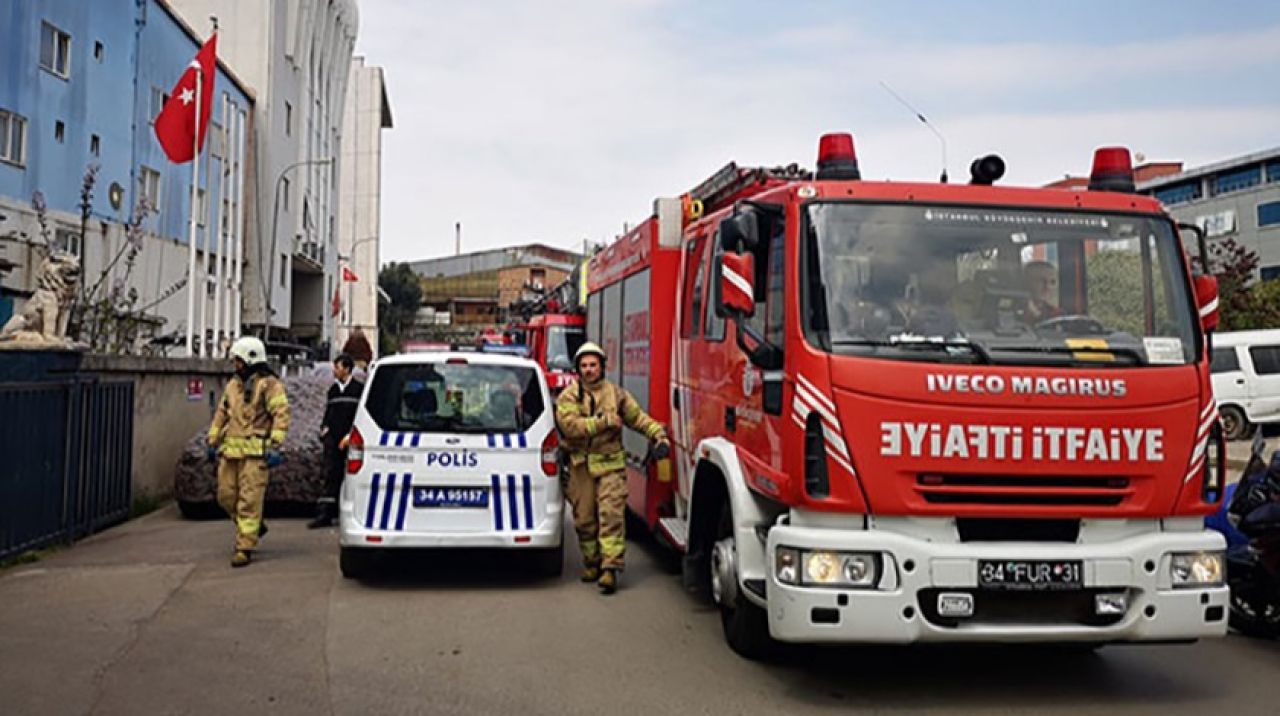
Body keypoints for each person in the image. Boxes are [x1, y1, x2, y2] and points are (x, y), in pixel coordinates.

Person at [555, 342, 669, 595]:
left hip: (610, 468)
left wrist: (658, 436)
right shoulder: (568, 397)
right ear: (577, 369)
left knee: (611, 517)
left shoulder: (617, 395)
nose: (588, 370)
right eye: (584, 366)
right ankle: (592, 563)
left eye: (593, 365)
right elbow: (570, 426)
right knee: (584, 519)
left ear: (602, 367)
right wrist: (604, 422)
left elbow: (638, 418)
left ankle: (610, 569)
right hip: (580, 467)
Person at [207, 336, 291, 567]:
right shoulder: (233, 385)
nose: (235, 364)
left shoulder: (270, 385)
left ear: (250, 360)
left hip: (256, 456)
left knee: (249, 501)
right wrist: (212, 439)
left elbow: (281, 415)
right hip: (230, 453)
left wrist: (275, 444)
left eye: (238, 360)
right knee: (225, 497)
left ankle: (244, 547)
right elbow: (222, 413)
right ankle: (254, 527)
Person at [309, 353, 363, 529]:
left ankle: (349, 513)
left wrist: (350, 436)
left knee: (351, 476)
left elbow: (360, 416)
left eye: (337, 367)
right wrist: (325, 429)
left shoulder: (358, 390)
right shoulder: (333, 390)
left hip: (350, 440)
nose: (334, 371)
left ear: (347, 369)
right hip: (332, 440)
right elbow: (328, 413)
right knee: (330, 475)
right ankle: (325, 513)